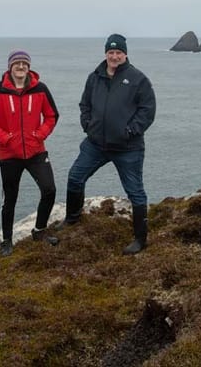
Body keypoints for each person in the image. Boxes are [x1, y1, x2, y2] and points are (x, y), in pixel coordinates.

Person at [58, 34, 156, 255]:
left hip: (127, 148)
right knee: (75, 177)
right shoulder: (95, 77)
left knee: (136, 192)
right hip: (96, 144)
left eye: (118, 53)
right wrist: (87, 124)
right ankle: (73, 219)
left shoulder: (138, 79)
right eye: (111, 52)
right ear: (106, 54)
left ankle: (140, 239)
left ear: (125, 54)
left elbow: (147, 110)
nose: (114, 56)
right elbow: (85, 104)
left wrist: (130, 131)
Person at [0, 49, 60, 257]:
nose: (21, 67)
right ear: (10, 67)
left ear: (29, 67)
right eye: (17, 64)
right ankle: (7, 240)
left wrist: (39, 135)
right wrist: (4, 138)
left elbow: (52, 116)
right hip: (9, 155)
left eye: (24, 63)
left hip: (36, 152)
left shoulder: (40, 89)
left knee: (49, 190)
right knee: (10, 199)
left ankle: (39, 231)